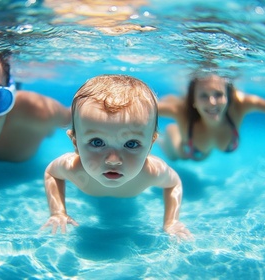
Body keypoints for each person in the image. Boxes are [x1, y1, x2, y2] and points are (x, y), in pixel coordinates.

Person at [40, 74, 191, 239]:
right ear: (75, 143)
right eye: (97, 142)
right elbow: (51, 173)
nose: (113, 160)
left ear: (150, 144)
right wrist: (58, 212)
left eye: (131, 144)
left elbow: (174, 183)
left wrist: (171, 221)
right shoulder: (73, 167)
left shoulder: (152, 172)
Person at [158, 75, 265, 161]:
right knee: (173, 153)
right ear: (193, 100)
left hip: (199, 146)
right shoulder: (179, 110)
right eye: (203, 96)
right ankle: (164, 136)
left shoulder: (241, 105)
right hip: (185, 151)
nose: (212, 102)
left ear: (228, 96)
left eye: (218, 94)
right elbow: (145, 109)